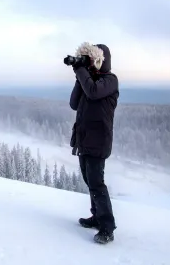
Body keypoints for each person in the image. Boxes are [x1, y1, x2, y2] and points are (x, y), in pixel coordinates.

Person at [69, 43, 119, 244]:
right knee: (90, 181)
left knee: (97, 183)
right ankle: (97, 216)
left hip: (98, 140)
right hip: (84, 138)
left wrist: (82, 71)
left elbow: (92, 92)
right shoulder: (89, 80)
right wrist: (78, 75)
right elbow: (74, 103)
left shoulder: (110, 81)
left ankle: (107, 227)